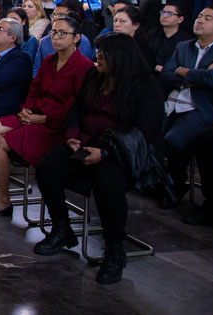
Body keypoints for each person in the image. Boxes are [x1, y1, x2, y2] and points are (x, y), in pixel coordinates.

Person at [34, 33, 163, 285]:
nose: (97, 57)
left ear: (120, 58)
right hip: (87, 141)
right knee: (47, 167)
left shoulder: (146, 86)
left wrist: (105, 153)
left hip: (123, 152)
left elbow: (144, 134)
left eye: (103, 54)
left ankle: (115, 249)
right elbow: (75, 111)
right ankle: (62, 229)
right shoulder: (95, 76)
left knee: (108, 184)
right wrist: (72, 136)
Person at [0, 15, 93, 217]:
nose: (56, 37)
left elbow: (75, 106)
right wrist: (26, 109)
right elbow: (33, 90)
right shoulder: (48, 61)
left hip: (57, 124)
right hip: (34, 114)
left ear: (76, 38)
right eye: (53, 33)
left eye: (63, 33)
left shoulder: (84, 66)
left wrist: (44, 119)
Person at [158, 5, 213, 219]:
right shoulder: (184, 46)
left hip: (202, 108)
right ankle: (164, 182)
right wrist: (196, 75)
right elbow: (166, 75)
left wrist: (185, 72)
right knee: (149, 135)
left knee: (175, 140)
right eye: (199, 16)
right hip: (174, 102)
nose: (200, 20)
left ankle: (176, 184)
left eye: (208, 18)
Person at [32, 0, 95, 75]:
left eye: (60, 15)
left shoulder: (81, 40)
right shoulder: (45, 41)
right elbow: (37, 70)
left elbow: (83, 72)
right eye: (54, 15)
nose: (55, 18)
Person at [148, 3, 192, 74]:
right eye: (162, 12)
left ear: (180, 19)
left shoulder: (186, 41)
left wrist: (163, 69)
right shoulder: (152, 34)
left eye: (169, 13)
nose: (164, 16)